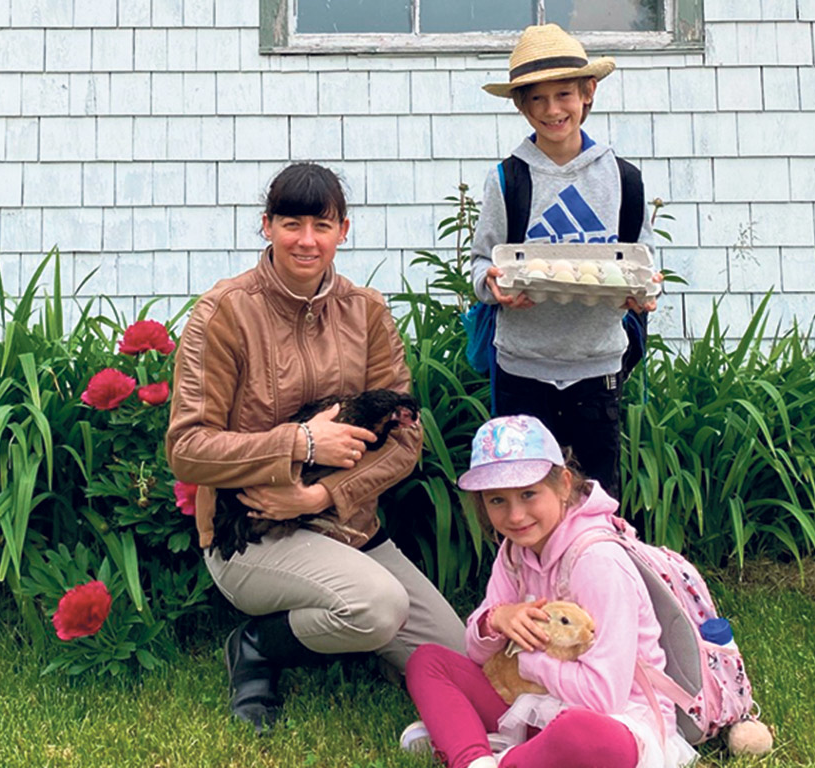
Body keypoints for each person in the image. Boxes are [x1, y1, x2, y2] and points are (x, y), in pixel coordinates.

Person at [166, 162, 465, 732]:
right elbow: (187, 448)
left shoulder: (367, 312)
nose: (307, 240)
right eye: (291, 223)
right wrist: (301, 443)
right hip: (251, 532)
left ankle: (346, 624)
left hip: (346, 527)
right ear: (266, 226)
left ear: (343, 232)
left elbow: (405, 438)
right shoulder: (223, 314)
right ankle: (257, 646)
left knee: (455, 662)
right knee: (378, 606)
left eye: (321, 225)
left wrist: (320, 495)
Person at [402, 415, 696, 768]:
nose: (515, 515)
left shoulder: (598, 561)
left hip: (617, 721)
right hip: (532, 706)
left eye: (529, 494)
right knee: (428, 661)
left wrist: (528, 662)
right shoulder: (514, 553)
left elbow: (604, 698)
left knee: (576, 732)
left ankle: (475, 743)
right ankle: (475, 761)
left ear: (564, 484)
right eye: (497, 500)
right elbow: (477, 655)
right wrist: (496, 620)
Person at [470, 24, 659, 498]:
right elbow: (479, 263)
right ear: (521, 105)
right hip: (521, 368)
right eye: (537, 99)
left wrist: (644, 293)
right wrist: (490, 284)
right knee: (523, 493)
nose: (552, 110)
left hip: (597, 366)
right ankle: (522, 574)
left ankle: (594, 574)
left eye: (564, 94)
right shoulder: (507, 179)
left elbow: (640, 262)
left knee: (596, 496)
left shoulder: (622, 178)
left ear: (587, 93)